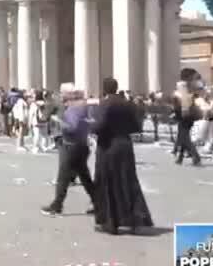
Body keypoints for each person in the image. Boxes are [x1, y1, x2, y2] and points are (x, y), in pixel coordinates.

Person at [91, 77, 153, 235]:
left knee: (108, 182)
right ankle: (135, 218)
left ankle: (111, 222)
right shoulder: (128, 104)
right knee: (128, 181)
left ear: (104, 89)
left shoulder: (105, 104)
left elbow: (99, 126)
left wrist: (91, 126)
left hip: (108, 146)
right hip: (125, 144)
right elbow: (137, 126)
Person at [42, 85, 97, 216]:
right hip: (82, 146)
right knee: (85, 177)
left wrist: (58, 120)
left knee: (63, 177)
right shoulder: (85, 108)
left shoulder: (73, 109)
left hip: (71, 146)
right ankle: (99, 202)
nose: (62, 95)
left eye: (63, 93)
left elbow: (71, 128)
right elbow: (90, 124)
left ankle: (57, 206)